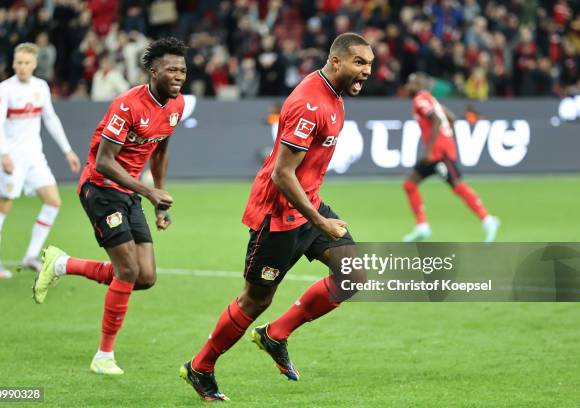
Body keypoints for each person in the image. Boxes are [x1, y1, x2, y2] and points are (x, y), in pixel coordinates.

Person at [179, 32, 374, 402]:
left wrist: (316, 215)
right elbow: (281, 174)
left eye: (369, 65)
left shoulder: (335, 95)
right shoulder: (309, 103)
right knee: (255, 300)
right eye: (359, 63)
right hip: (278, 215)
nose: (366, 71)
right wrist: (321, 222)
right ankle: (200, 367)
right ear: (336, 61)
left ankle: (276, 335)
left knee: (353, 273)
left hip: (308, 205)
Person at [32, 37, 187, 375]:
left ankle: (62, 264)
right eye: (171, 69)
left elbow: (160, 150)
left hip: (130, 192)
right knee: (128, 271)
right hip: (100, 188)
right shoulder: (127, 104)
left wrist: (160, 200)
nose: (178, 75)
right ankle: (103, 355)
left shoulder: (176, 106)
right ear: (153, 70)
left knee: (145, 277)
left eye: (183, 70)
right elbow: (103, 162)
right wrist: (148, 192)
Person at [0, 42, 81, 279]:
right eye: (18, 62)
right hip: (13, 157)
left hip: (35, 157)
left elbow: (50, 119)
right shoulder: (5, 89)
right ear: (13, 63)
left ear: (35, 64)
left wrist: (67, 150)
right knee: (3, 206)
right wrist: (4, 153)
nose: (22, 67)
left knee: (53, 202)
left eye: (27, 63)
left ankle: (30, 256)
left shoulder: (41, 87)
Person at [402, 72, 500, 242]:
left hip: (439, 153)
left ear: (419, 84)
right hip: (439, 151)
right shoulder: (431, 99)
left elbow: (437, 121)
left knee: (457, 185)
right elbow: (451, 118)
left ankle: (488, 220)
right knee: (410, 184)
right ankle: (422, 226)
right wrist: (445, 138)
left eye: (411, 83)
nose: (408, 87)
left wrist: (432, 148)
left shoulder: (420, 99)